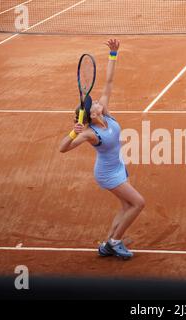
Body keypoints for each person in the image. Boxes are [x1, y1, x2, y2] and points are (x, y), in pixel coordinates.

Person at [59, 39, 144, 260]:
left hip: (118, 166)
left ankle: (108, 244)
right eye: (94, 103)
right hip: (107, 174)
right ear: (92, 114)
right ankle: (115, 242)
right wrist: (73, 133)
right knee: (138, 203)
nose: (97, 101)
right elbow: (62, 149)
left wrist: (113, 54)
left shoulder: (104, 113)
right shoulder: (89, 134)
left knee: (126, 205)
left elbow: (109, 81)